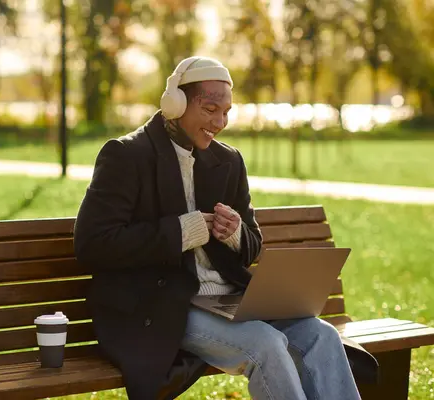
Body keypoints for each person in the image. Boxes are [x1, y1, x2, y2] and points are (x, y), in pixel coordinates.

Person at [74, 56, 371, 400]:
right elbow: (92, 244)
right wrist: (181, 232)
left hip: (227, 301)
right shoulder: (126, 155)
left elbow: (253, 245)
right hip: (160, 306)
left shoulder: (228, 161)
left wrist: (235, 235)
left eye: (226, 111)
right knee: (266, 345)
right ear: (177, 102)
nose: (220, 121)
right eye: (211, 109)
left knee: (322, 335)